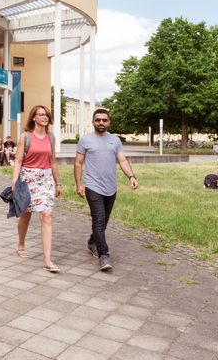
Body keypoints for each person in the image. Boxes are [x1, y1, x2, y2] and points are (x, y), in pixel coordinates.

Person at [74, 108, 138, 271]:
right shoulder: (85, 140)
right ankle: (104, 255)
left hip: (111, 187)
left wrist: (131, 176)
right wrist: (79, 184)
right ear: (93, 122)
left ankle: (92, 242)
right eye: (98, 120)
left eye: (104, 120)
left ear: (108, 122)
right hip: (93, 186)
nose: (101, 122)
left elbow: (122, 160)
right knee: (98, 219)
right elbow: (78, 163)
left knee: (103, 221)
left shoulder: (115, 140)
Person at [12, 105, 62, 272]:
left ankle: (47, 260)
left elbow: (53, 161)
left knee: (46, 215)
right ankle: (20, 244)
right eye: (41, 114)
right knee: (26, 215)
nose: (45, 117)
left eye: (46, 114)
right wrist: (14, 181)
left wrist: (58, 182)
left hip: (46, 179)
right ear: (33, 117)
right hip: (27, 179)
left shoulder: (51, 137)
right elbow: (18, 161)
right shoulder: (25, 137)